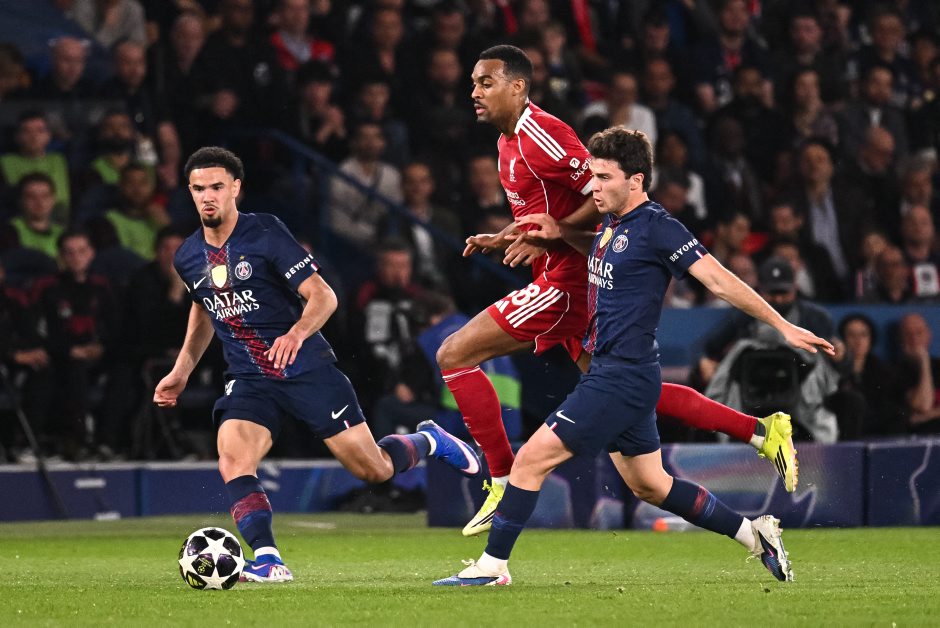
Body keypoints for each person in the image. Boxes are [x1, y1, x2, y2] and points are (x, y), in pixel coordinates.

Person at [434, 128, 834, 587]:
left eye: (604, 178)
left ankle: (492, 566)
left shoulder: (659, 227)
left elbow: (719, 280)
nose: (593, 187)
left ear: (636, 180)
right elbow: (593, 246)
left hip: (620, 378)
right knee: (650, 484)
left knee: (529, 462)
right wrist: (559, 232)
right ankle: (754, 535)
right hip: (620, 372)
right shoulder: (612, 222)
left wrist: (783, 325)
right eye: (593, 176)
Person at [445, 45, 799, 539]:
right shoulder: (508, 143)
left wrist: (557, 233)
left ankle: (502, 481)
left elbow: (598, 191)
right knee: (634, 408)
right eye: (473, 83)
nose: (475, 92)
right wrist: (511, 234)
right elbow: (549, 209)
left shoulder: (541, 134)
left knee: (455, 354)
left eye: (486, 83)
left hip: (568, 282)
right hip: (565, 273)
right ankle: (759, 434)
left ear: (518, 86)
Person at [153, 147, 481, 583]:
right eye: (199, 189)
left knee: (374, 470)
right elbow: (204, 309)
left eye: (216, 187)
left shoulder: (265, 233)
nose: (207, 197)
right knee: (233, 459)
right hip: (250, 377)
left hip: (305, 369)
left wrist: (296, 334)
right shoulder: (188, 256)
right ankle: (268, 558)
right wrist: (181, 371)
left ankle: (428, 441)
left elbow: (324, 296)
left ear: (236, 188)